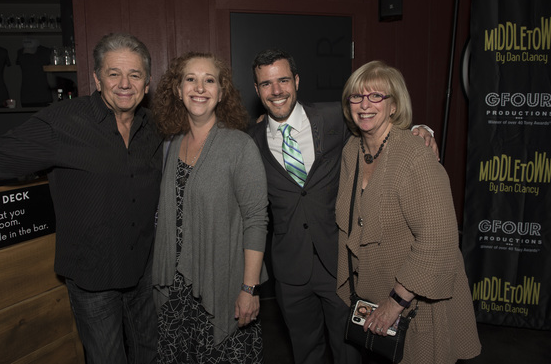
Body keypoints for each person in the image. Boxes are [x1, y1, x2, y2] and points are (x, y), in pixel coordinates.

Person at [0, 33, 162, 364]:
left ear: (147, 83)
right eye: (114, 73)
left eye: (135, 74)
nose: (124, 83)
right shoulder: (63, 123)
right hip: (93, 277)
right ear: (98, 79)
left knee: (151, 355)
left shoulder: (154, 127)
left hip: (143, 273)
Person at [247, 48, 437, 364]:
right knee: (305, 353)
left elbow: (379, 125)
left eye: (283, 80)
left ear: (296, 80)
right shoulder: (251, 139)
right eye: (266, 84)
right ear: (257, 90)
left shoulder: (333, 116)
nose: (276, 90)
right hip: (290, 272)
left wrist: (422, 130)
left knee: (348, 352)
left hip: (339, 267)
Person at [335, 61, 481, 363]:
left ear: (394, 106)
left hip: (415, 303)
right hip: (373, 299)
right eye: (356, 97)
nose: (364, 104)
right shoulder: (352, 150)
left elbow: (439, 240)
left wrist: (395, 302)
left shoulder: (415, 154)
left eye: (376, 96)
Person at [151, 52, 269, 363]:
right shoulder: (171, 143)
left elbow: (256, 220)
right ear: (178, 89)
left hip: (223, 287)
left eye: (209, 80)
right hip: (175, 291)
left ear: (221, 92)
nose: (199, 87)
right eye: (190, 79)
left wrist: (249, 289)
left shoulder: (240, 147)